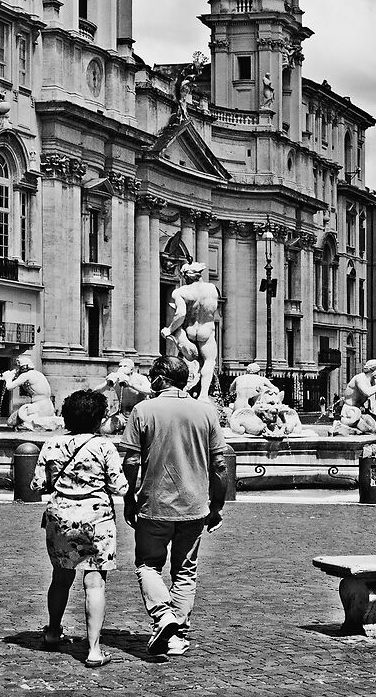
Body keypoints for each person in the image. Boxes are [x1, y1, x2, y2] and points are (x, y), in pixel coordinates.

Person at [118, 356, 232, 659]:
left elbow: (131, 461)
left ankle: (163, 614)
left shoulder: (144, 410)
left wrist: (129, 498)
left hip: (154, 504)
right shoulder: (205, 411)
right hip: (194, 505)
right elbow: (220, 466)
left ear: (160, 379)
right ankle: (178, 636)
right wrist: (216, 505)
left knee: (148, 565)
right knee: (185, 571)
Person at [39, 388, 130, 667]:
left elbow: (37, 483)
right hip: (96, 519)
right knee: (95, 582)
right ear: (99, 419)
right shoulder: (104, 446)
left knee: (60, 577)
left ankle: (53, 632)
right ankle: (93, 650)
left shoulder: (51, 444)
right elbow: (120, 487)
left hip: (60, 517)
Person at [163, 262, 222, 399]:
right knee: (209, 362)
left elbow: (181, 314)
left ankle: (182, 391)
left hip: (189, 331)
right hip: (206, 330)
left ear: (185, 276)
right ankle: (203, 395)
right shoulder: (212, 289)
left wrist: (169, 329)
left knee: (184, 360)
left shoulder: (180, 292)